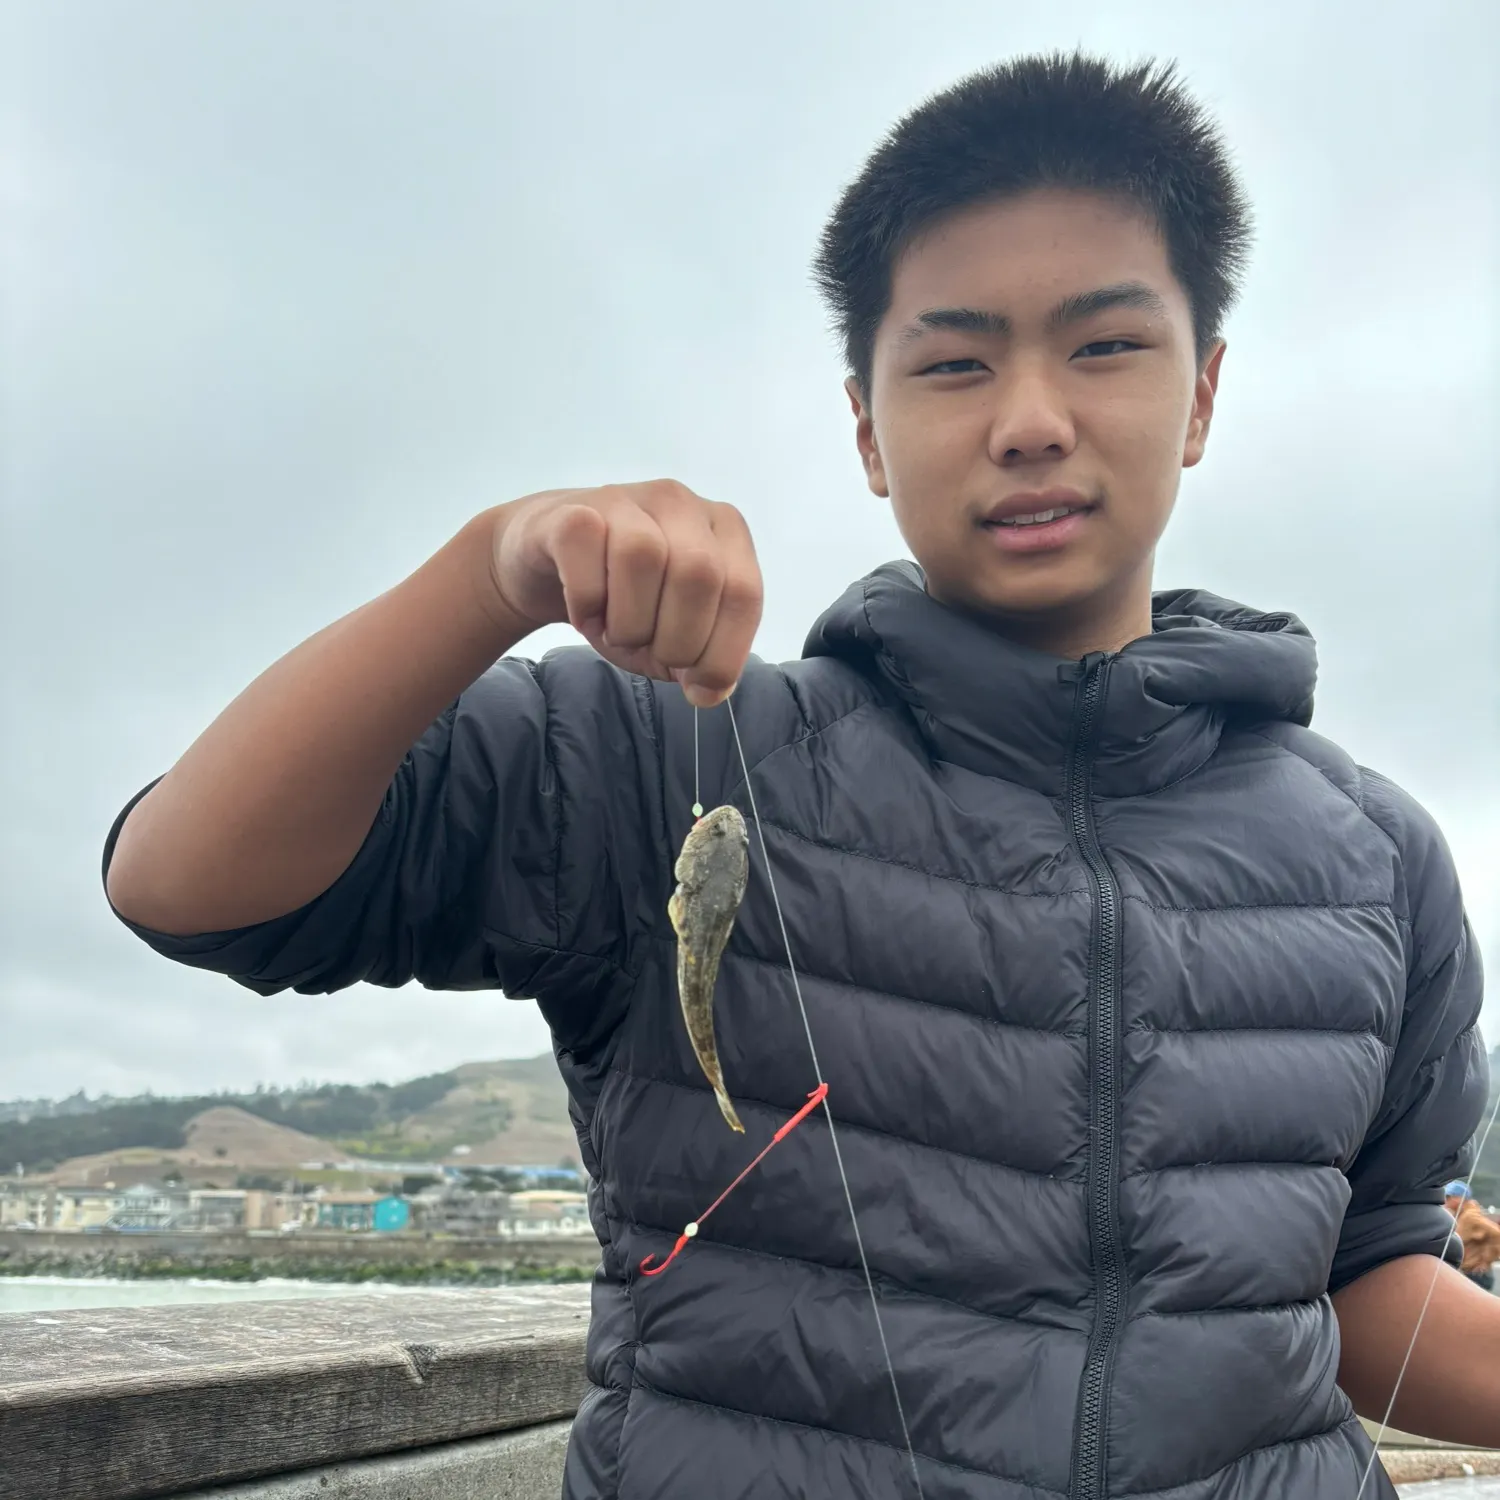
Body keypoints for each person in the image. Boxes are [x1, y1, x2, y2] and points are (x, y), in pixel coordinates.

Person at [100, 49, 1495, 1500]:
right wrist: (493, 569)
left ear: (1202, 397)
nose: (1028, 417)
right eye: (954, 360)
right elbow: (190, 885)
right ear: (866, 433)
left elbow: (1362, 1291)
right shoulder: (664, 749)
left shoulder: (1373, 859)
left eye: (1105, 346)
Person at [1444, 1180, 1500, 1293]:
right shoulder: (1462, 1215)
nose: (1446, 1200)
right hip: (1468, 1272)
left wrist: (1486, 1261)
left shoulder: (1470, 1216)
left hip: (1476, 1274)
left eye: (1449, 1196)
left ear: (1460, 1198)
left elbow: (1496, 1234)